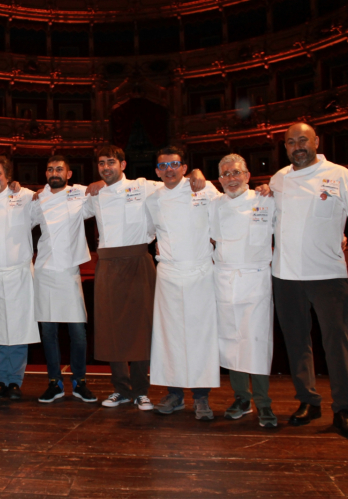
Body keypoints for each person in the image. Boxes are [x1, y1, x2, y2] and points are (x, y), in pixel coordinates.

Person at [271, 123, 348, 440]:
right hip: (285, 275)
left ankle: (344, 408)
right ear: (286, 148)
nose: (297, 146)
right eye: (291, 142)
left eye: (303, 140)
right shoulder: (278, 179)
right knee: (296, 342)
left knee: (336, 344)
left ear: (316, 141)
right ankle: (308, 401)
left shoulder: (341, 175)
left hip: (329, 275)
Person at [83, 145, 206, 411]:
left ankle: (141, 390)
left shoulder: (145, 186)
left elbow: (175, 180)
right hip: (107, 264)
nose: (106, 167)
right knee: (111, 329)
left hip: (139, 260)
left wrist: (196, 171)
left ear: (123, 165)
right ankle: (120, 389)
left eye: (111, 162)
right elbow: (65, 205)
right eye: (101, 163)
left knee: (142, 328)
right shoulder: (94, 194)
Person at [146, 146, 222, 421]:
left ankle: (201, 397)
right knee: (170, 338)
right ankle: (174, 394)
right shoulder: (152, 198)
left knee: (201, 336)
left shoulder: (205, 189)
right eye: (163, 166)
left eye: (174, 164)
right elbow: (145, 231)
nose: (169, 169)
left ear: (184, 167)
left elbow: (227, 215)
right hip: (168, 274)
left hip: (200, 272)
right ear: (157, 171)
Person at [210, 154, 277, 428]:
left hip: (256, 280)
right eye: (225, 174)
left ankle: (263, 402)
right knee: (230, 342)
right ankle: (241, 398)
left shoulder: (267, 200)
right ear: (219, 179)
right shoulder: (213, 206)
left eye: (236, 172)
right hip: (224, 279)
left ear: (248, 176)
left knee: (256, 342)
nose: (231, 178)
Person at [32, 156, 97, 404]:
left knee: (78, 333)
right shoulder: (36, 199)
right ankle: (54, 382)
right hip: (45, 271)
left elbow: (103, 198)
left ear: (69, 174)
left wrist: (100, 184)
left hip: (69, 272)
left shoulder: (80, 193)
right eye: (50, 169)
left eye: (59, 169)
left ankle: (79, 382)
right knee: (48, 333)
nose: (54, 172)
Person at [0, 155, 40, 400]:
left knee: (18, 328)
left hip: (19, 274)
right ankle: (0, 378)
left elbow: (50, 201)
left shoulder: (23, 196)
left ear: (7, 177)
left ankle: (15, 380)